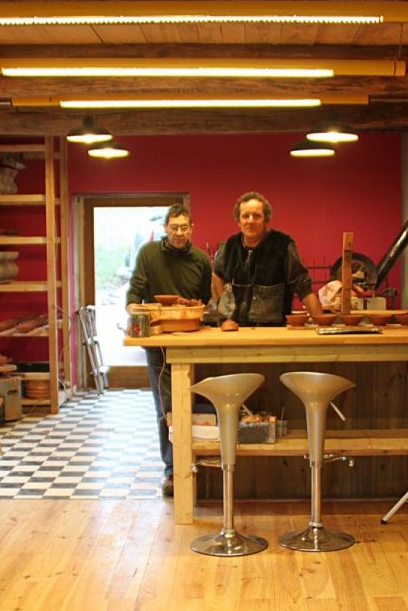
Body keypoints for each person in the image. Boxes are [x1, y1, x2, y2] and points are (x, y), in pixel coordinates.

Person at [126, 204, 212, 496]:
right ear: (165, 227)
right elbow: (135, 293)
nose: (179, 232)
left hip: (194, 339)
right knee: (166, 407)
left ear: (192, 228)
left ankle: (201, 465)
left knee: (198, 402)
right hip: (160, 341)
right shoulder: (148, 254)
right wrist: (137, 311)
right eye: (174, 227)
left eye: (184, 227)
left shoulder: (200, 259)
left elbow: (205, 299)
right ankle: (173, 471)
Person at [212, 191, 323, 326]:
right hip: (236, 330)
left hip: (273, 331)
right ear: (238, 221)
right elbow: (217, 275)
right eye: (245, 216)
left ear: (266, 220)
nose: (250, 221)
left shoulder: (283, 245)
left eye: (257, 216)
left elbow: (303, 285)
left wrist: (321, 322)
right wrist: (225, 316)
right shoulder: (230, 246)